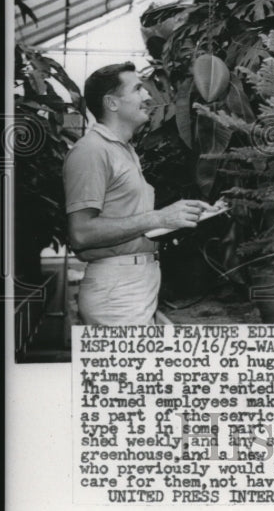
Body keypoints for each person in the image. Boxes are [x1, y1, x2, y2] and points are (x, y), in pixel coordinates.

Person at [63, 62, 211, 326]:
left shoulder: (124, 150)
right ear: (112, 103)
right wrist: (159, 219)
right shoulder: (91, 151)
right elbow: (81, 233)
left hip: (134, 286)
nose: (147, 97)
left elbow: (125, 220)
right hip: (117, 291)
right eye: (138, 89)